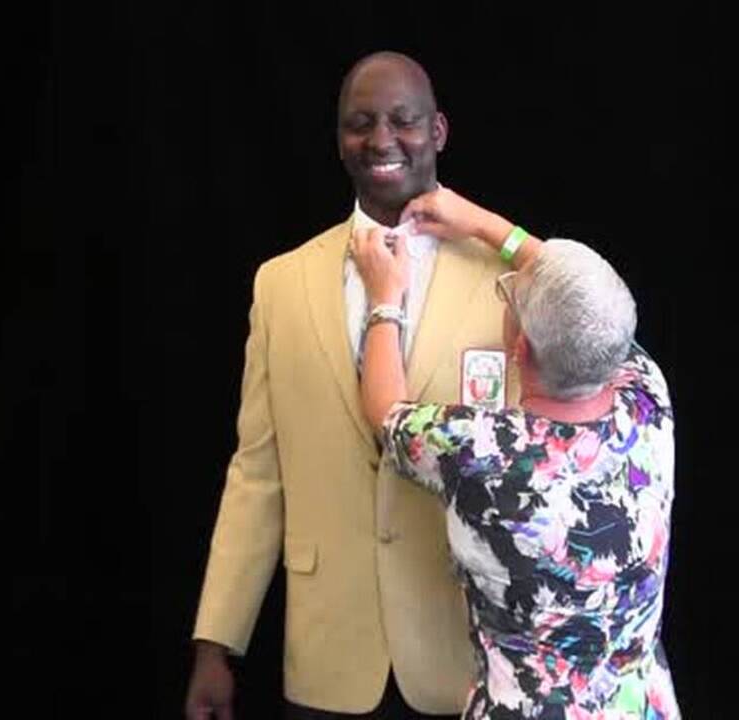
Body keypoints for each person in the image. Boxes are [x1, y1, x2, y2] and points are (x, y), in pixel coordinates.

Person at [185, 52, 519, 719]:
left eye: (403, 120)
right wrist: (215, 645)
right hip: (328, 658)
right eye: (360, 123)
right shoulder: (280, 285)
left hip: (464, 655)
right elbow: (257, 473)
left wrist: (502, 238)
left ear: (440, 132)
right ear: (339, 141)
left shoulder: (505, 281)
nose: (382, 139)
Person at [352, 187, 681, 719]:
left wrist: (384, 297)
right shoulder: (647, 403)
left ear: (519, 347)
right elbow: (582, 306)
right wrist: (484, 225)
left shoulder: (480, 450)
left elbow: (386, 412)